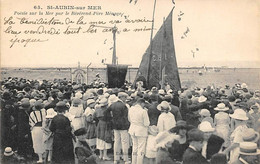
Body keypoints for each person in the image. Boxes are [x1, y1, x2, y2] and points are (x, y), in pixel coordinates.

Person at [107, 92, 130, 164]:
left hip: (115, 125)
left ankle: (116, 159)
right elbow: (126, 117)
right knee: (124, 142)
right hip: (123, 126)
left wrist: (111, 120)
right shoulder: (124, 106)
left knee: (116, 142)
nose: (126, 99)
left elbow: (106, 113)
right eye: (125, 97)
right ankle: (125, 159)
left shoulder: (112, 105)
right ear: (122, 97)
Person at [128, 98, 150, 164]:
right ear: (142, 103)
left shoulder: (131, 109)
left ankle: (134, 162)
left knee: (135, 147)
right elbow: (147, 123)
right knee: (141, 149)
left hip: (132, 129)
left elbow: (129, 119)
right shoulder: (143, 111)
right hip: (141, 131)